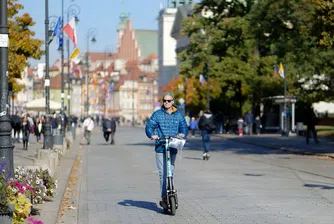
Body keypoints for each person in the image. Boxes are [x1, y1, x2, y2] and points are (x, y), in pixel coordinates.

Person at [145, 92, 188, 210]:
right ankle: (164, 196)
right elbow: (149, 126)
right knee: (162, 172)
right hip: (160, 145)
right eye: (165, 101)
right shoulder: (157, 114)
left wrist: (183, 133)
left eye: (169, 100)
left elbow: (183, 126)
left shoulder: (178, 115)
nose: (167, 102)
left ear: (173, 101)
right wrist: (151, 135)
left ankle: (171, 191)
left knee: (170, 171)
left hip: (172, 145)